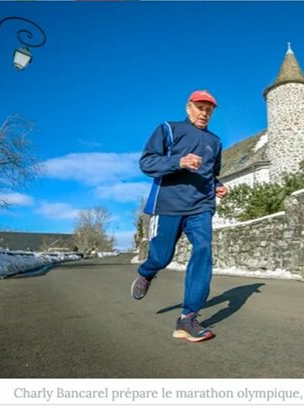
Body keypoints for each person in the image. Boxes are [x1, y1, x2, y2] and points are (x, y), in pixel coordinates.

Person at [131, 90, 228, 342]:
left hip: (201, 206)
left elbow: (211, 173)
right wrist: (179, 161)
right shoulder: (168, 129)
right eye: (200, 107)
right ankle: (147, 272)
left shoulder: (215, 142)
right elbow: (147, 163)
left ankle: (188, 318)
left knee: (204, 249)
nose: (204, 113)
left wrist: (217, 184)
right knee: (162, 257)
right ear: (188, 108)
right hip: (168, 205)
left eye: (209, 110)